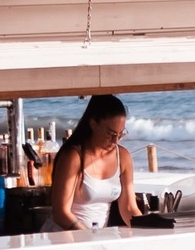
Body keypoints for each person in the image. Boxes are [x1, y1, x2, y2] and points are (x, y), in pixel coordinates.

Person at [51, 93, 137, 232]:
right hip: (65, 235)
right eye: (110, 134)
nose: (115, 141)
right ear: (93, 124)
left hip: (97, 236)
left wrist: (147, 229)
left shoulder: (123, 157)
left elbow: (129, 208)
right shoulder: (74, 156)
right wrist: (88, 236)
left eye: (120, 134)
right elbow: (61, 214)